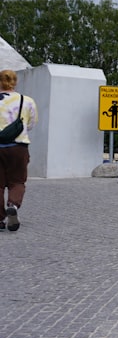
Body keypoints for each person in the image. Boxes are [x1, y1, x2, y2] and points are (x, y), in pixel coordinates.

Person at [0, 70, 39, 232]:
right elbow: (31, 124)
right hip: (18, 147)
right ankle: (13, 205)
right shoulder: (27, 101)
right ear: (15, 82)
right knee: (17, 181)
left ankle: (0, 219)